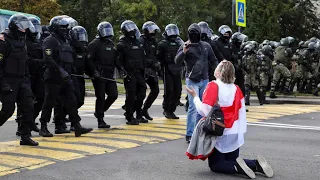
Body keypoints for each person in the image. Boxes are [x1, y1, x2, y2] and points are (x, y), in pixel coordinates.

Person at [186, 60, 274, 179]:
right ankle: (256, 165)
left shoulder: (213, 86)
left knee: (216, 165)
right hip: (234, 131)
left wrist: (196, 98)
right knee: (232, 159)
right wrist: (240, 131)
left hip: (219, 132)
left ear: (218, 73)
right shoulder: (237, 88)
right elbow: (242, 111)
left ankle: (238, 168)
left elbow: (204, 110)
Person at [40, 16, 93, 137]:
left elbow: (75, 54)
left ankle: (77, 125)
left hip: (67, 77)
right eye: (62, 27)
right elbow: (48, 59)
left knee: (72, 101)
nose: (65, 29)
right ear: (55, 28)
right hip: (54, 77)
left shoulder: (66, 40)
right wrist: (60, 70)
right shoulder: (50, 40)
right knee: (49, 102)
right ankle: (43, 126)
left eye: (66, 27)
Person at [175, 23, 218, 143]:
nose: (194, 36)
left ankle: (200, 131)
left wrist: (219, 72)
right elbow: (177, 61)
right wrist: (184, 51)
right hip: (192, 80)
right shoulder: (185, 45)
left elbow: (213, 60)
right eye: (191, 34)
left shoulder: (206, 46)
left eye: (196, 34)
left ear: (200, 34)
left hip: (205, 80)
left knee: (203, 106)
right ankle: (189, 134)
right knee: (193, 107)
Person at [0, 14, 39, 146]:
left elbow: (24, 62)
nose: (25, 30)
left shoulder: (22, 41)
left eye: (26, 27)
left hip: (22, 79)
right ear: (14, 26)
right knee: (8, 110)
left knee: (28, 107)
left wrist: (27, 79)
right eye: (22, 27)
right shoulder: (3, 41)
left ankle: (25, 136)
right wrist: (3, 84)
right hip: (7, 80)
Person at [87, 22, 119, 128]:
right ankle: (100, 119)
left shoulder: (111, 43)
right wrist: (94, 72)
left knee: (113, 95)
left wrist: (121, 68)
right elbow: (89, 60)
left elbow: (115, 59)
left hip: (109, 73)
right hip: (99, 74)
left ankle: (99, 111)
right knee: (100, 96)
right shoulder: (94, 44)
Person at [116, 20, 148, 125]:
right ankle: (129, 116)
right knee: (131, 95)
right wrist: (122, 71)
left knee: (142, 93)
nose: (132, 30)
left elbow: (143, 58)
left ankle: (138, 114)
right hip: (129, 73)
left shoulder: (138, 43)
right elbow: (118, 60)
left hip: (139, 72)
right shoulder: (122, 44)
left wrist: (145, 69)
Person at [157, 24, 184, 119]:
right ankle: (166, 110)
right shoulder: (162, 44)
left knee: (178, 91)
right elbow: (158, 58)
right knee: (169, 91)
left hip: (177, 70)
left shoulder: (179, 43)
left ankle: (172, 110)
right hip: (167, 70)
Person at [138, 21, 161, 121]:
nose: (153, 32)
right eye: (151, 30)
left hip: (151, 69)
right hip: (142, 69)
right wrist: (150, 62)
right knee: (141, 92)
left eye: (154, 30)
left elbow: (156, 54)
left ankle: (145, 109)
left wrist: (157, 63)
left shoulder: (153, 41)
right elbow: (139, 56)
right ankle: (137, 113)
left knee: (155, 90)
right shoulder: (141, 40)